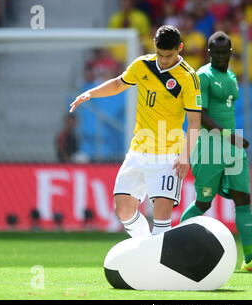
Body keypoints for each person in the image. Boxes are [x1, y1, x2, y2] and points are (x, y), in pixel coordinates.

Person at [70, 25, 202, 237]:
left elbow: (195, 121)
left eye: (169, 55)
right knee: (122, 210)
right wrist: (90, 94)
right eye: (160, 54)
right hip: (138, 152)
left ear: (180, 48)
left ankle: (159, 262)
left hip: (168, 156)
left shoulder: (188, 78)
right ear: (154, 47)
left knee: (161, 221)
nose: (164, 60)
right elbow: (117, 84)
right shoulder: (142, 65)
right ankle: (145, 246)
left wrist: (185, 155)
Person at [179, 31, 252, 273]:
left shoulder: (231, 76)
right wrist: (228, 135)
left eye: (225, 52)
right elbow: (198, 114)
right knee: (203, 202)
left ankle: (250, 260)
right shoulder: (203, 75)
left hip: (232, 149)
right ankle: (175, 245)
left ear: (231, 53)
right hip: (210, 147)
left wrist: (231, 139)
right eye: (216, 52)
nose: (221, 56)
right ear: (209, 52)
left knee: (243, 198)